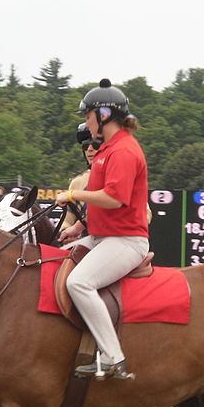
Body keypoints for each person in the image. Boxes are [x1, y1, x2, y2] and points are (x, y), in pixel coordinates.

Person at [56, 79, 149, 379]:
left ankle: (113, 358)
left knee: (78, 283)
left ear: (104, 114)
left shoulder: (122, 151)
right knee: (52, 260)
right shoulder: (108, 150)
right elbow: (101, 205)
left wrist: (72, 195)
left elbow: (113, 199)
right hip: (103, 237)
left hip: (126, 242)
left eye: (87, 115)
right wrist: (79, 226)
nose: (86, 121)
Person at [59, 123, 100, 233]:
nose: (89, 149)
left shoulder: (122, 175)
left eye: (95, 145)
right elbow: (67, 220)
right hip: (87, 241)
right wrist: (65, 230)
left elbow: (145, 215)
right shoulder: (77, 183)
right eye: (85, 146)